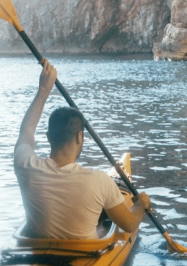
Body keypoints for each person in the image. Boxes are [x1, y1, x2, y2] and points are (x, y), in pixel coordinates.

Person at [14, 60, 152, 239]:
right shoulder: (100, 181)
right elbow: (129, 224)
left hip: (36, 255)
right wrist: (141, 205)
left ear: (48, 137)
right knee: (103, 224)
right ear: (80, 137)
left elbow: (26, 130)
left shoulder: (25, 165)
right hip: (84, 255)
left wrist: (43, 90)